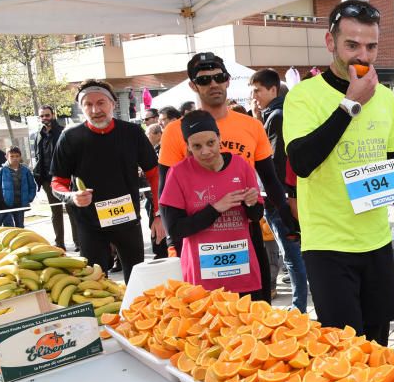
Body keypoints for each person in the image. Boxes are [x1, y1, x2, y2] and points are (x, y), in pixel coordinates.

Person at [284, 0, 394, 345]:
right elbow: (302, 163)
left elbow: (391, 169)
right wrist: (351, 104)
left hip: (376, 242)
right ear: (330, 43)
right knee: (344, 350)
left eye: (371, 46)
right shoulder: (303, 97)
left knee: (378, 347)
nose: (362, 56)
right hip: (328, 247)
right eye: (352, 45)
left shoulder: (383, 96)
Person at [158, 52, 293, 305]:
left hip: (245, 235)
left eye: (219, 77)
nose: (213, 84)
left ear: (228, 80)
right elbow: (166, 188)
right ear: (193, 85)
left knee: (256, 311)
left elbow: (270, 178)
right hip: (200, 243)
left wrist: (287, 219)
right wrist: (171, 243)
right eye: (204, 79)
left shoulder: (251, 126)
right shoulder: (175, 131)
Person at [50, 80, 163, 283]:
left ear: (113, 104)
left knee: (137, 281)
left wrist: (157, 214)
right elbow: (57, 182)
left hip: (127, 220)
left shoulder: (132, 133)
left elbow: (155, 174)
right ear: (81, 108)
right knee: (95, 283)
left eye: (101, 102)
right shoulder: (70, 137)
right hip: (90, 223)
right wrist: (71, 197)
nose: (95, 110)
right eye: (88, 104)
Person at [160, 111, 263, 295]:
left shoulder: (240, 165)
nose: (206, 151)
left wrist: (252, 203)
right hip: (202, 278)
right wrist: (215, 209)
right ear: (188, 147)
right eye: (197, 146)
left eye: (210, 143)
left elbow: (256, 216)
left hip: (242, 272)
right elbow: (175, 229)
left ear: (219, 137)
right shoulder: (178, 173)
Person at [250, 67, 308, 312]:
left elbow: (273, 161)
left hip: (279, 198)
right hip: (286, 195)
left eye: (257, 91)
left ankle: (299, 307)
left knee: (291, 255)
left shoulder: (277, 116)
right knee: (295, 253)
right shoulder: (281, 113)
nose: (254, 97)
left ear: (273, 89)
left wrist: (275, 196)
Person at [31, 105, 78, 251]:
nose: (45, 118)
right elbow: (38, 156)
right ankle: (60, 244)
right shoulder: (38, 134)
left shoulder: (62, 132)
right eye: (42, 116)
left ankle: (78, 242)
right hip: (46, 179)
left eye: (47, 115)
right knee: (55, 213)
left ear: (53, 115)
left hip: (64, 178)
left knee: (71, 211)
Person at [142, 124, 168, 258]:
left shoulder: (164, 150)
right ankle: (159, 250)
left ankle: (162, 251)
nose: (147, 137)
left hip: (161, 196)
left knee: (160, 224)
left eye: (149, 134)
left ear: (159, 134)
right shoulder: (152, 150)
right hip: (151, 197)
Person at [0, 146, 37, 227]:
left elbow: (32, 186)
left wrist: (29, 197)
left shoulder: (26, 171)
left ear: (20, 156)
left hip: (20, 204)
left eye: (17, 156)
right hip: (5, 205)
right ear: (6, 157)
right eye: (12, 156)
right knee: (8, 226)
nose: (15, 158)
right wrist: (0, 200)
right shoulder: (2, 170)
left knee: (20, 226)